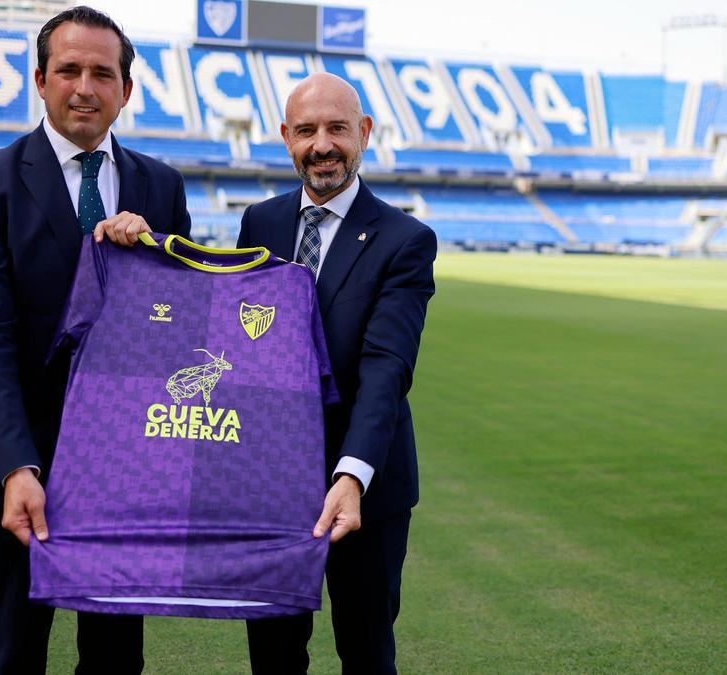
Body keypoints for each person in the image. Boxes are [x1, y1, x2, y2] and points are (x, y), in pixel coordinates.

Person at [0, 6, 191, 673]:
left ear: (126, 90)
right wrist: (18, 463)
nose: (85, 86)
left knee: (115, 661)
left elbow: (182, 328)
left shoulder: (161, 187)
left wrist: (157, 258)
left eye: (102, 73)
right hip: (16, 472)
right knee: (12, 657)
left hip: (123, 473)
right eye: (69, 69)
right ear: (41, 80)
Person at [236, 72, 437, 674]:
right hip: (270, 484)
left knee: (366, 651)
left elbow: (386, 368)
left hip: (365, 488)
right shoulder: (259, 223)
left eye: (336, 129)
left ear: (365, 133)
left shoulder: (406, 240)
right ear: (286, 138)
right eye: (306, 131)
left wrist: (351, 475)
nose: (322, 144)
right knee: (272, 655)